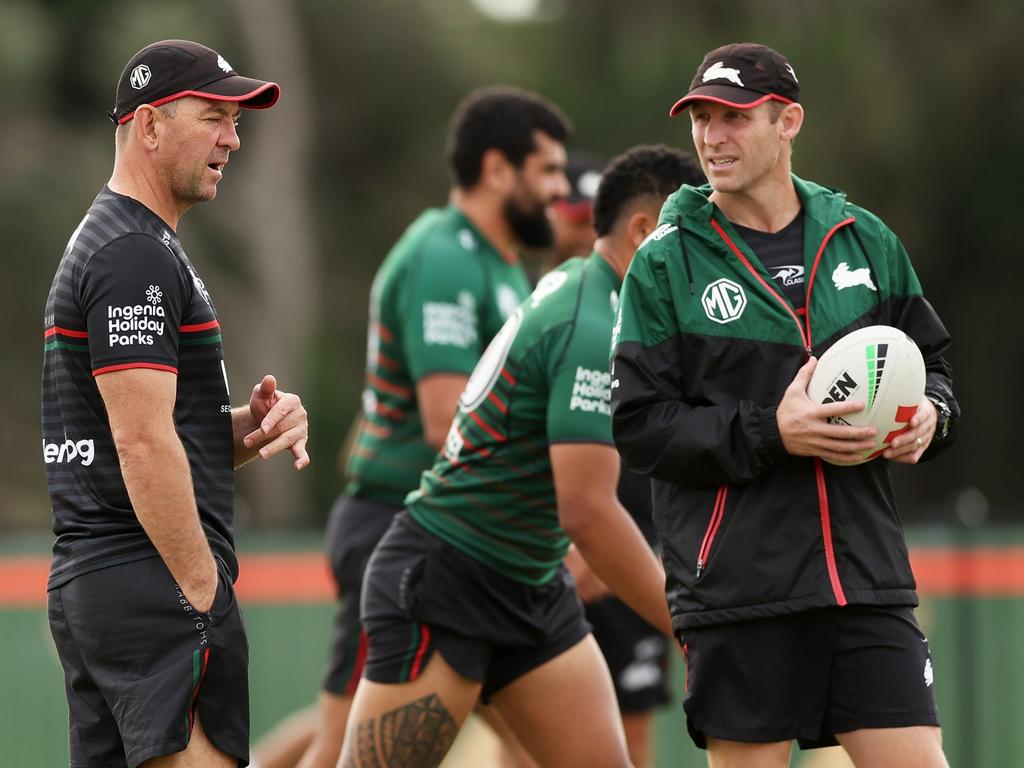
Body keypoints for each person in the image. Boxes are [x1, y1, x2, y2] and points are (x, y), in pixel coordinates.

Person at [610, 43, 959, 768]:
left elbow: (935, 367)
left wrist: (931, 413)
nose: (711, 137)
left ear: (787, 121)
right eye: (701, 119)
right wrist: (776, 432)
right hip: (741, 592)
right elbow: (641, 428)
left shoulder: (865, 238)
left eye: (733, 118)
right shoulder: (665, 262)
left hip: (865, 581)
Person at [338, 144, 698, 768]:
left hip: (530, 582)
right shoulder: (594, 319)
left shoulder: (596, 293)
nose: (709, 263)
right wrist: (693, 620)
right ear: (645, 232)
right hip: (448, 579)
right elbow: (585, 510)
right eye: (698, 240)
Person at [249, 86, 573, 768]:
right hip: (409, 532)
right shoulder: (446, 256)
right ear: (496, 170)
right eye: (547, 170)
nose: (560, 188)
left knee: (536, 739)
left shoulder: (499, 260)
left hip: (469, 539)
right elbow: (444, 417)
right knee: (347, 742)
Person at [41, 39, 310, 768]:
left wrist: (250, 429)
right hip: (151, 582)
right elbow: (138, 445)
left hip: (107, 584)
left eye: (236, 119)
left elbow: (136, 435)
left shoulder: (131, 243)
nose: (233, 137)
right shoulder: (132, 252)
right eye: (214, 116)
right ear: (150, 126)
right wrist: (203, 588)